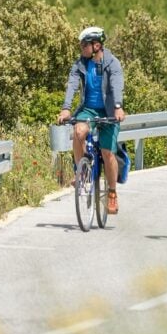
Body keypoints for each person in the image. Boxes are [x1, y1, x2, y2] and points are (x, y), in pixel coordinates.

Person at [58, 26, 126, 214]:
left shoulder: (112, 63)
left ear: (96, 45)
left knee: (107, 153)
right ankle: (82, 174)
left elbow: (116, 84)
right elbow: (72, 84)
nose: (81, 48)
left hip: (109, 111)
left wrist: (118, 107)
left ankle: (112, 193)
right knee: (78, 132)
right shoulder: (80, 63)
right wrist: (66, 108)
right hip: (88, 109)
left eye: (84, 45)